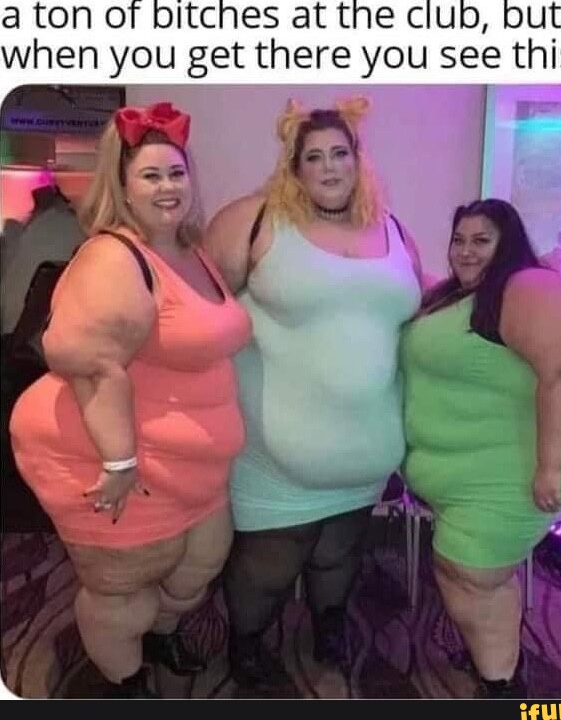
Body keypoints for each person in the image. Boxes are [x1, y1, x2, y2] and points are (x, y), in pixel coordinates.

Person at [9, 101, 252, 698]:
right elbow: (91, 365)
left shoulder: (189, 249)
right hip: (125, 465)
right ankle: (121, 680)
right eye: (150, 175)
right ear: (122, 186)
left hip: (193, 468)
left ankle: (156, 639)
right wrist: (119, 461)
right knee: (122, 596)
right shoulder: (114, 256)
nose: (168, 187)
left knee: (194, 575)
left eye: (176, 173)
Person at [204, 96, 423, 692]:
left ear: (358, 159)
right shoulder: (254, 221)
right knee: (271, 562)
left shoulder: (394, 229)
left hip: (367, 447)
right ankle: (246, 644)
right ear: (293, 167)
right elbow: (199, 311)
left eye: (340, 153)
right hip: (275, 453)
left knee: (340, 551)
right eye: (314, 157)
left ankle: (330, 628)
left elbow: (414, 313)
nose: (330, 167)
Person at [399, 199, 561, 698]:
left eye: (482, 240)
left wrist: (549, 469)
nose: (466, 251)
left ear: (508, 243)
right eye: (459, 240)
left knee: (470, 571)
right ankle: (496, 660)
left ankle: (500, 686)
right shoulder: (459, 295)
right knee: (480, 575)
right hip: (482, 460)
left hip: (527, 460)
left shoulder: (528, 285)